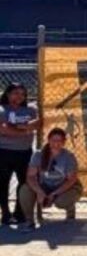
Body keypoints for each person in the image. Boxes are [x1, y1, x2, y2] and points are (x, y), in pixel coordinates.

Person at [18, 127, 82, 232]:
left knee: (61, 201)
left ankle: (70, 212)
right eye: (53, 140)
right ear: (48, 140)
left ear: (64, 142)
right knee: (24, 190)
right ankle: (29, 221)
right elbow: (30, 176)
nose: (56, 143)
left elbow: (71, 180)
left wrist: (54, 194)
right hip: (45, 186)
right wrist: (39, 192)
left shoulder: (68, 156)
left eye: (60, 141)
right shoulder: (38, 155)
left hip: (65, 187)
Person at [0, 83, 40, 225]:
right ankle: (5, 213)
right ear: (8, 94)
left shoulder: (30, 109)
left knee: (24, 183)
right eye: (16, 93)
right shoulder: (2, 109)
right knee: (3, 183)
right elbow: (3, 129)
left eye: (22, 94)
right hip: (4, 152)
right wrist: (25, 130)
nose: (19, 96)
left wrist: (19, 127)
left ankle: (19, 213)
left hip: (24, 152)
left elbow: (38, 123)